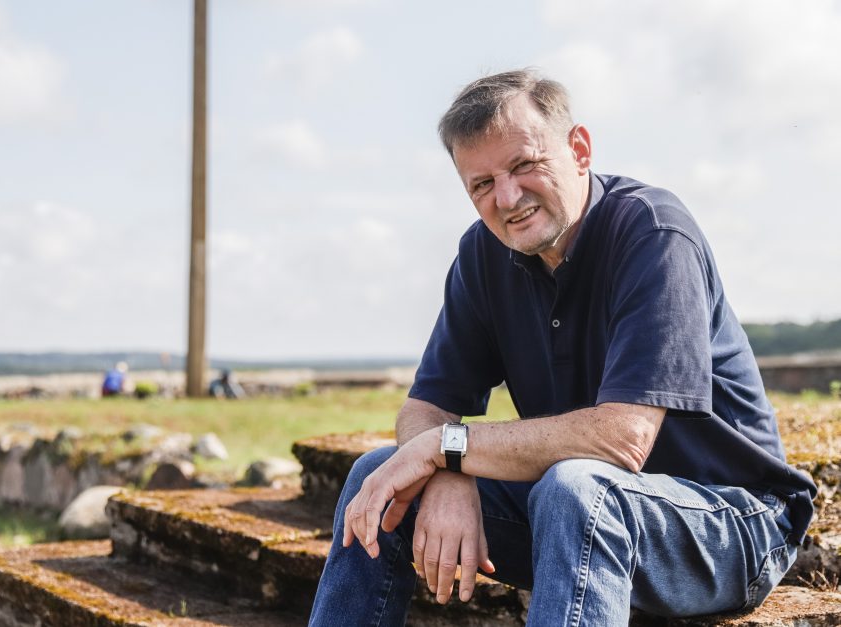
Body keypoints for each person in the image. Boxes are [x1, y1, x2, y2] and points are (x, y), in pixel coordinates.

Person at [308, 69, 817, 626]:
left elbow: (621, 440)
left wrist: (443, 448)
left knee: (576, 489)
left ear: (579, 148)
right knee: (378, 477)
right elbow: (425, 408)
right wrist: (447, 473)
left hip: (729, 525)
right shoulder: (483, 254)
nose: (507, 197)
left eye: (524, 165)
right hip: (582, 513)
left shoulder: (654, 233)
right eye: (481, 184)